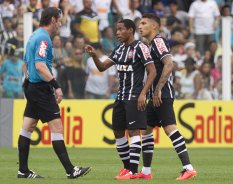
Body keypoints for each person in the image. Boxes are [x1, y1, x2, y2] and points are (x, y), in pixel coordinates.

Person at [18, 7, 91, 179]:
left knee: (27, 128)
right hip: (41, 89)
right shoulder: (44, 39)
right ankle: (70, 170)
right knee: (57, 128)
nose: (60, 24)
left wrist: (29, 83)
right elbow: (39, 65)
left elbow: (25, 65)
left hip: (32, 87)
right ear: (52, 20)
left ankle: (23, 171)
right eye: (58, 20)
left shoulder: (33, 36)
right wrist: (56, 85)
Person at [85, 19, 156, 180]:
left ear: (130, 30)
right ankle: (127, 168)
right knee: (118, 132)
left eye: (120, 29)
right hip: (120, 97)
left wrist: (144, 93)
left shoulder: (141, 47)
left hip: (135, 96)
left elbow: (152, 71)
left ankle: (132, 170)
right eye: (116, 30)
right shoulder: (119, 50)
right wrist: (95, 56)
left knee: (133, 132)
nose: (117, 33)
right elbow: (102, 67)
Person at [138, 13, 197, 180]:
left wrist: (158, 89)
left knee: (170, 129)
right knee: (147, 130)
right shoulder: (148, 45)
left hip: (161, 94)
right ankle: (146, 171)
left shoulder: (158, 41)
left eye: (143, 23)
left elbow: (169, 64)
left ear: (155, 26)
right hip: (154, 95)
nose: (140, 26)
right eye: (139, 23)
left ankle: (188, 167)